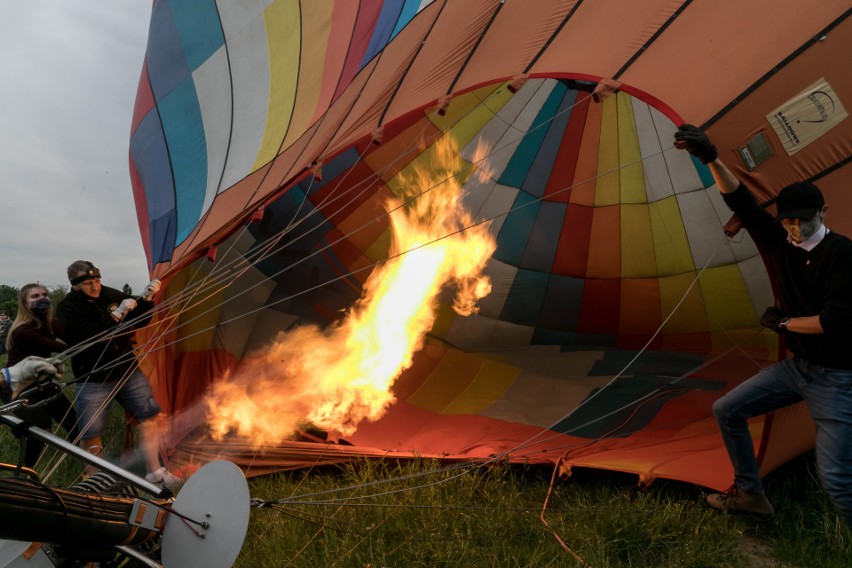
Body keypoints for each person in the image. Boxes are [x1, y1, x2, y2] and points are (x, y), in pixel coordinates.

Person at [674, 124, 852, 527]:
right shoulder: (780, 240)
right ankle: (751, 496)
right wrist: (709, 156)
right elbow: (743, 202)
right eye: (788, 221)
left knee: (838, 478)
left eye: (803, 221)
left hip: (837, 376)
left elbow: (835, 321)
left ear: (823, 213)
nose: (795, 228)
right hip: (799, 368)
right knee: (728, 410)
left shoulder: (842, 254)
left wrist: (783, 322)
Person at [55, 260, 177, 489]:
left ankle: (155, 472)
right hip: (93, 378)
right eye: (89, 283)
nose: (95, 286)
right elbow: (85, 337)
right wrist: (116, 314)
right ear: (75, 284)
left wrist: (147, 299)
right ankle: (95, 484)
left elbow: (140, 319)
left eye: (97, 280)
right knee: (91, 432)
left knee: (150, 417)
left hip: (127, 370)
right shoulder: (67, 308)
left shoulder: (109, 294)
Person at [4, 284, 80, 468]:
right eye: (35, 296)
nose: (42, 298)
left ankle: (89, 468)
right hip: (17, 387)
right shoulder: (23, 330)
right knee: (41, 428)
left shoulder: (51, 322)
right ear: (25, 303)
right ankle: (26, 474)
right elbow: (64, 347)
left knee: (74, 423)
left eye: (44, 294)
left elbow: (73, 339)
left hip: (42, 382)